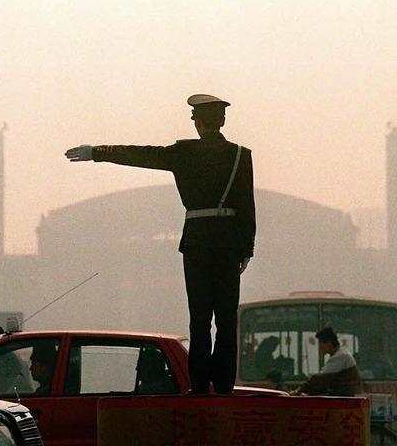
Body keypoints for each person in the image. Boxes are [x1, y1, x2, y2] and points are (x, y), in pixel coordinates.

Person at [65, 94, 256, 395]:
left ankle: (199, 386)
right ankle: (224, 386)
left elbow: (141, 155)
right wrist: (247, 249)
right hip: (229, 245)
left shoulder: (184, 153)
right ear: (221, 121)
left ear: (199, 121)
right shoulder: (240, 156)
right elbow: (247, 205)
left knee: (200, 319)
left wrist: (97, 152)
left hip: (196, 242)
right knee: (227, 320)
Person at [289, 326, 362, 397]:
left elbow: (320, 379)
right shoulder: (340, 354)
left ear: (328, 343)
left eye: (320, 343)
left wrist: (298, 391)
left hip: (348, 398)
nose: (319, 347)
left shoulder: (341, 356)